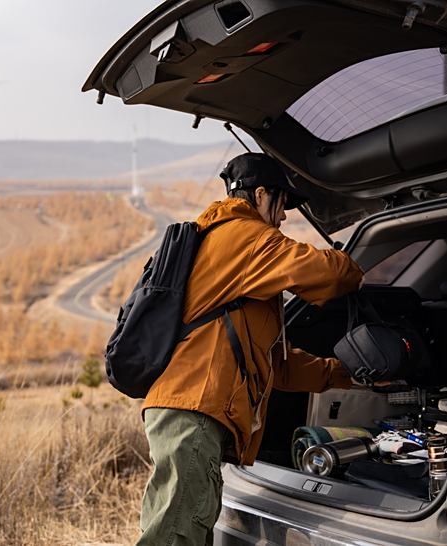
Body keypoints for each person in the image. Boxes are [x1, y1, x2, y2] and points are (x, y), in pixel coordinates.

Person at [136, 153, 364, 546]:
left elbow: (278, 365)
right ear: (261, 195)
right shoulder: (246, 237)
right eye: (282, 205)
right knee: (173, 536)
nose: (284, 217)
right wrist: (352, 263)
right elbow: (328, 275)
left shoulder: (226, 245)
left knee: (185, 529)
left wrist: (347, 374)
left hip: (188, 409)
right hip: (193, 411)